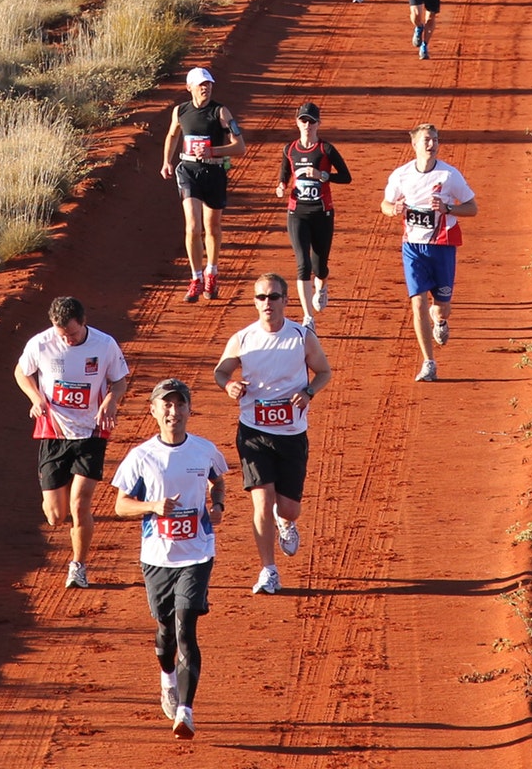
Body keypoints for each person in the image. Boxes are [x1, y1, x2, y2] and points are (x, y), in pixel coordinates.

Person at [112, 378, 228, 740]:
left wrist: (218, 504)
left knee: (185, 629)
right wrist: (152, 506)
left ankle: (186, 711)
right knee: (165, 635)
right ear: (154, 411)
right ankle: (167, 679)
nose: (173, 412)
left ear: (189, 410)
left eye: (179, 405)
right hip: (157, 558)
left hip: (196, 554)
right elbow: (120, 505)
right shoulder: (141, 456)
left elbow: (218, 480)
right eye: (166, 405)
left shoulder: (205, 450)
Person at [214, 272, 332, 596]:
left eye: (273, 297)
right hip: (254, 432)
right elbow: (221, 370)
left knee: (288, 508)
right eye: (261, 297)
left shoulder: (301, 336)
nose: (267, 303)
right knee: (261, 503)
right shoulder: (243, 338)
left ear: (285, 300)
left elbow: (324, 372)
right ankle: (268, 570)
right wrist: (229, 385)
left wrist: (308, 392)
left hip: (292, 433)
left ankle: (287, 522)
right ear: (255, 302)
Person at [14, 295, 132, 589]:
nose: (66, 340)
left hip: (91, 431)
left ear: (84, 322)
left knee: (81, 504)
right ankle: (64, 503)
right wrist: (35, 397)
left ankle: (78, 566)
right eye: (61, 334)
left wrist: (111, 402)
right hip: (53, 432)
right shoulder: (41, 343)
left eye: (73, 334)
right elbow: (21, 372)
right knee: (55, 515)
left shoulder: (104, 345)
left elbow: (119, 381)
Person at [379, 123, 479, 382]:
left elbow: (472, 208)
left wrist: (448, 208)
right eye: (426, 140)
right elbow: (386, 203)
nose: (431, 144)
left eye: (434, 139)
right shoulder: (401, 175)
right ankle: (429, 362)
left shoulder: (449, 176)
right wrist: (394, 209)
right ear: (414, 145)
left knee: (442, 306)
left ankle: (441, 320)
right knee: (418, 302)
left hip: (443, 246)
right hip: (413, 246)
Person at [160, 66, 245, 301]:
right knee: (193, 226)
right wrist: (167, 161)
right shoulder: (180, 111)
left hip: (215, 171)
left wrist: (212, 150)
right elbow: (172, 134)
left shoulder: (221, 112)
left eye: (208, 84)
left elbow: (240, 147)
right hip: (188, 170)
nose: (205, 88)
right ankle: (196, 278)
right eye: (200, 85)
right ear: (189, 88)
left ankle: (212, 272)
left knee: (212, 227)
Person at [274, 102, 352, 324]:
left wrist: (322, 175)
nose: (307, 125)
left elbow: (346, 177)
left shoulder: (325, 149)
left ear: (318, 123)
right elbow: (284, 173)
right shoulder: (289, 149)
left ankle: (322, 286)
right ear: (297, 122)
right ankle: (308, 317)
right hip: (297, 212)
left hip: (322, 212)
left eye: (311, 121)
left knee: (319, 266)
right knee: (303, 264)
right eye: (303, 120)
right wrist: (281, 186)